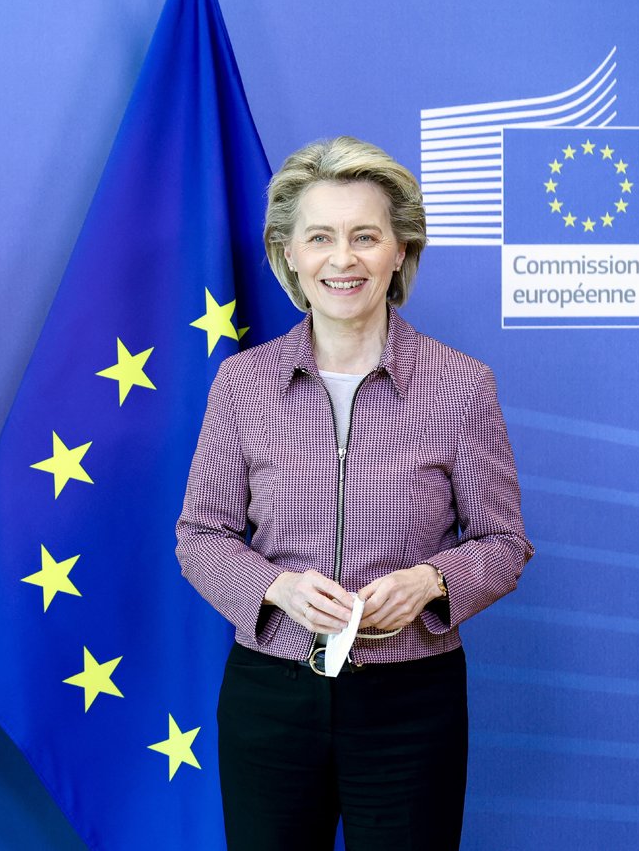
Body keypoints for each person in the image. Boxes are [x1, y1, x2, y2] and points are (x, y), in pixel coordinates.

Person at [174, 136, 532, 850]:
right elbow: (200, 536)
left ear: (399, 251)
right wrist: (275, 588)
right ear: (289, 255)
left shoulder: (462, 385)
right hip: (270, 698)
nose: (343, 259)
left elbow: (504, 543)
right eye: (320, 238)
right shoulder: (241, 384)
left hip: (411, 704)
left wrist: (433, 581)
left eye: (365, 236)